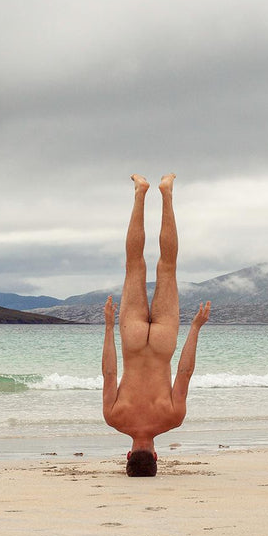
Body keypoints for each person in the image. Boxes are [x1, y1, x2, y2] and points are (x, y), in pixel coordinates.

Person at [102, 174, 210, 476]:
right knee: (134, 263)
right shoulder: (114, 418)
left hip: (163, 343)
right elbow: (109, 372)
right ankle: (140, 193)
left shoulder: (173, 419)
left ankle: (166, 193)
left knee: (168, 266)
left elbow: (185, 372)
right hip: (133, 340)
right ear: (128, 455)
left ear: (156, 457)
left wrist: (196, 327)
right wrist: (109, 327)